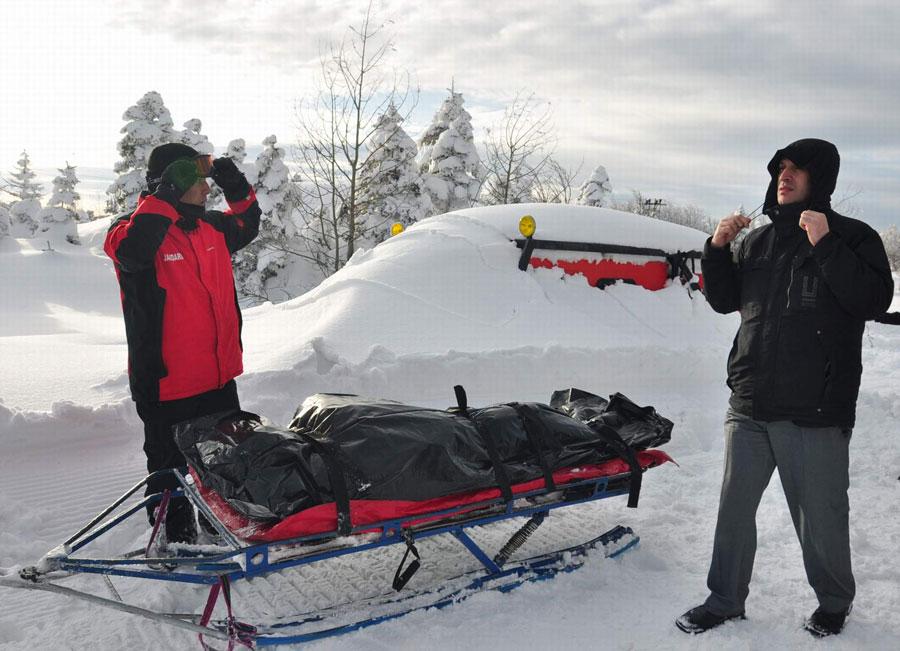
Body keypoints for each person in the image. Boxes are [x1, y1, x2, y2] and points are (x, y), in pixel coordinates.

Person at [677, 139, 893, 637]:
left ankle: (834, 601)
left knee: (820, 516)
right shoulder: (758, 241)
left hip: (816, 407)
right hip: (750, 400)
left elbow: (873, 300)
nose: (784, 176)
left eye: (796, 169)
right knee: (733, 510)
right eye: (780, 168)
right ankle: (725, 598)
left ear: (821, 178)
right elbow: (725, 300)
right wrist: (716, 249)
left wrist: (826, 244)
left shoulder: (853, 237)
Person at [104, 143, 261, 544]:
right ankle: (175, 547)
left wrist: (236, 188)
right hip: (166, 386)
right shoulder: (129, 231)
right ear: (173, 183)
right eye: (198, 181)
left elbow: (247, 223)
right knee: (169, 477)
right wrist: (165, 197)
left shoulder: (211, 227)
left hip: (219, 379)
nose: (207, 191)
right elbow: (134, 253)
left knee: (224, 467)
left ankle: (221, 534)